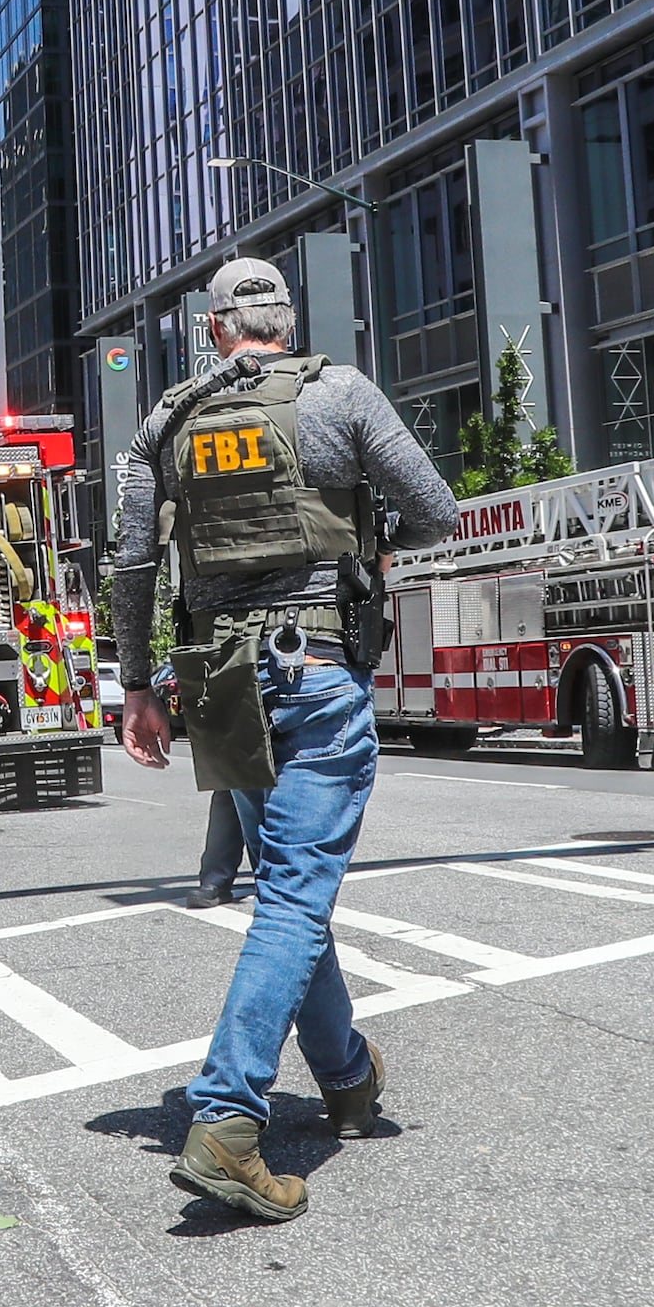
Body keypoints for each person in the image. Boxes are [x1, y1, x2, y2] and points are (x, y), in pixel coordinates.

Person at [113, 257, 452, 1223]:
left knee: (292, 891)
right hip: (315, 673)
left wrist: (138, 684)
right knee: (299, 895)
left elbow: (133, 562)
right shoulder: (339, 394)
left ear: (218, 328)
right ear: (285, 323)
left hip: (218, 683)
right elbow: (437, 510)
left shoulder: (164, 424)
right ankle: (225, 1121)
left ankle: (347, 1079)